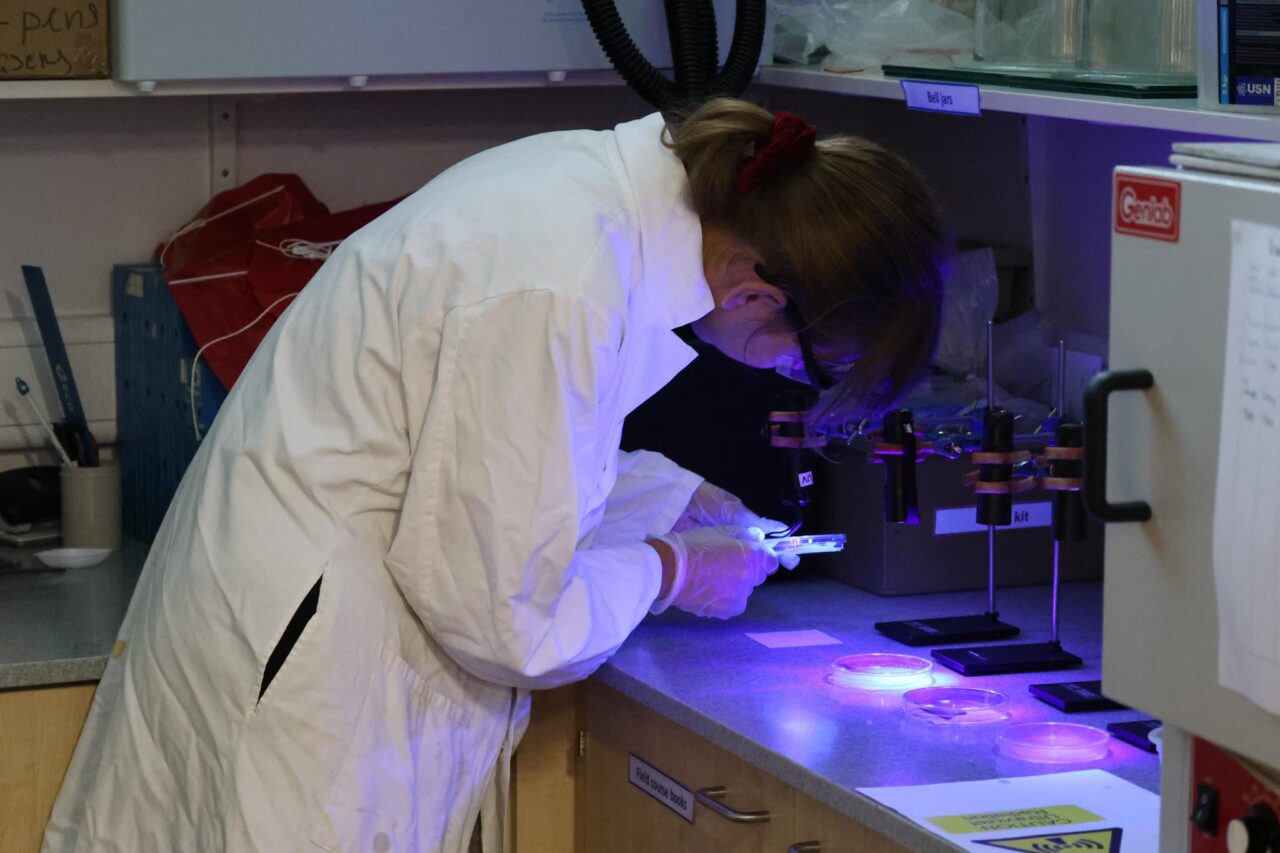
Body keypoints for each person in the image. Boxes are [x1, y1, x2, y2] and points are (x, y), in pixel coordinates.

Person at [43, 97, 946, 853]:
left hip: (298, 630)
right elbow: (502, 618)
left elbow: (487, 446)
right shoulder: (561, 281)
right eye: (803, 366)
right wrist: (673, 568)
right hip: (308, 688)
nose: (783, 378)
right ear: (758, 293)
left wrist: (676, 497)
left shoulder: (589, 202)